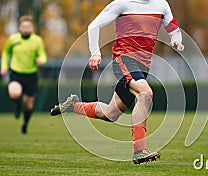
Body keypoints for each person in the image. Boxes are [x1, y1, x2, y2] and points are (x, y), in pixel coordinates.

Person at [50, 0, 184, 164]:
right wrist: (95, 53)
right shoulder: (122, 3)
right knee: (145, 93)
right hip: (124, 60)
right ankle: (139, 150)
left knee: (110, 114)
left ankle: (73, 105)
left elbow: (173, 29)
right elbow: (93, 26)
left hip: (143, 67)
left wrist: (176, 39)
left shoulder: (161, 4)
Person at [0, 15, 47, 134]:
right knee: (14, 93)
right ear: (19, 28)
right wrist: (4, 67)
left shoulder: (37, 40)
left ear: (32, 28)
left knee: (28, 105)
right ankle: (17, 106)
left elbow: (43, 55)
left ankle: (25, 123)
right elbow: (6, 52)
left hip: (31, 75)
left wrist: (41, 60)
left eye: (28, 26)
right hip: (16, 72)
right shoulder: (13, 39)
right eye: (23, 26)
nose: (26, 29)